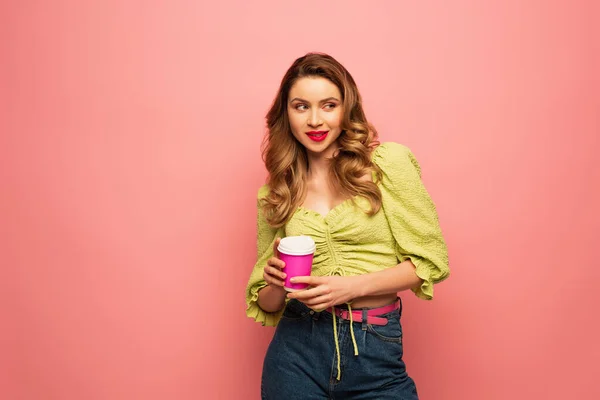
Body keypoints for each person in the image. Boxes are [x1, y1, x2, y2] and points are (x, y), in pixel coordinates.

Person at [245, 52, 450, 400]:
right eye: (300, 106)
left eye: (328, 105)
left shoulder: (387, 165)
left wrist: (351, 288)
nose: (314, 120)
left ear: (346, 110)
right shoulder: (277, 192)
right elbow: (266, 304)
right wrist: (274, 283)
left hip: (375, 350)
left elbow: (429, 262)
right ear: (286, 114)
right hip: (295, 352)